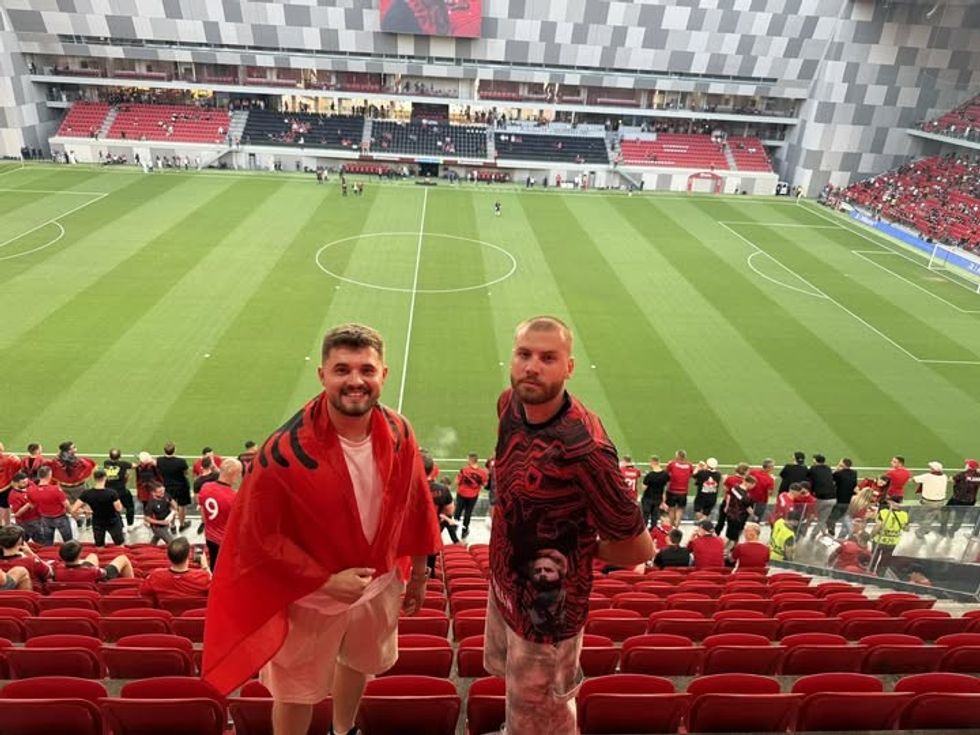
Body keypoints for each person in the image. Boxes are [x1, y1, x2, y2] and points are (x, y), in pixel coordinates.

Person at [202, 323, 440, 735]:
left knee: (359, 663)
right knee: (296, 692)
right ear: (322, 375)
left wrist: (419, 572)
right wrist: (326, 581)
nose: (355, 381)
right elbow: (258, 538)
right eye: (342, 370)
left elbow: (414, 500)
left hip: (379, 583)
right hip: (308, 597)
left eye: (366, 370)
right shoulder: (284, 451)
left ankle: (343, 730)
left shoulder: (399, 430)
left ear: (383, 374)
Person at [485, 316, 651, 734]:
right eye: (524, 354)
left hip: (549, 615)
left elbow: (639, 549)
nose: (531, 367)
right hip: (505, 584)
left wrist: (578, 547)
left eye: (548, 358)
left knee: (546, 716)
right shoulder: (510, 403)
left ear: (569, 367)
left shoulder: (585, 449)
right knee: (519, 696)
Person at [197, 458, 243, 570]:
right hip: (226, 541)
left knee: (214, 564)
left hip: (209, 536)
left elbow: (203, 517)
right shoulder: (234, 497)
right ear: (234, 475)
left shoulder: (205, 487)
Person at [140, 536, 211, 604]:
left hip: (166, 611)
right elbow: (214, 590)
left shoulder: (155, 576)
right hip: (196, 612)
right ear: (188, 556)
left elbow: (143, 593)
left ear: (168, 556)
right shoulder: (203, 576)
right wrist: (205, 567)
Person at [71, 469, 124, 546]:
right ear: (105, 478)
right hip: (113, 521)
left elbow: (73, 509)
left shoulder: (87, 493)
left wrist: (85, 512)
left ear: (94, 478)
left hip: (97, 521)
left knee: (99, 546)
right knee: (119, 545)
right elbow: (119, 509)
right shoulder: (112, 493)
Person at [26, 466, 72, 544]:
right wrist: (71, 512)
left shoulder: (30, 490)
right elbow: (66, 504)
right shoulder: (56, 489)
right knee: (69, 542)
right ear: (49, 475)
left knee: (48, 543)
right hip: (60, 518)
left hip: (45, 518)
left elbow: (32, 506)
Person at [53, 540, 134, 582]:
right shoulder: (93, 571)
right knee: (123, 558)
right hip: (91, 575)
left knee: (93, 556)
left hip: (75, 573)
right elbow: (103, 573)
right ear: (79, 554)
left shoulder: (56, 570)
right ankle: (131, 582)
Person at [0, 524, 52, 589]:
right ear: (22, 542)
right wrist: (31, 553)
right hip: (31, 594)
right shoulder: (32, 561)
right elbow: (49, 574)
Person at [870, 495, 910, 576]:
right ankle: (880, 575)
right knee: (885, 560)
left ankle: (869, 573)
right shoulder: (904, 514)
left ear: (890, 502)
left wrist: (871, 536)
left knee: (873, 558)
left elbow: (878, 526)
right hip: (892, 541)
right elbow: (906, 528)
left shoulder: (883, 512)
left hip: (879, 540)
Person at [157, 442, 192, 532]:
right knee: (182, 506)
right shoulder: (181, 462)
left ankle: (172, 526)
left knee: (170, 506)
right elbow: (186, 473)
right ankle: (182, 524)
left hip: (167, 486)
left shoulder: (159, 461)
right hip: (181, 486)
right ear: (174, 450)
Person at [941, 459, 980, 537]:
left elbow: (952, 479)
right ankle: (952, 531)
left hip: (957, 499)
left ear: (969, 466)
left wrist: (951, 478)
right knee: (960, 517)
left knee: (945, 510)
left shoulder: (963, 474)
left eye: (967, 464)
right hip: (970, 501)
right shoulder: (978, 476)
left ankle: (943, 528)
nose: (966, 465)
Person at [453, 452, 488, 540]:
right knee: (468, 513)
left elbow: (457, 482)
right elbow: (485, 485)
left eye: (467, 459)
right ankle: (464, 532)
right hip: (473, 496)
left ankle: (454, 529)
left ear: (471, 460)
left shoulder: (464, 470)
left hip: (461, 494)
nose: (467, 460)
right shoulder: (482, 473)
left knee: (458, 512)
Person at [913, 461, 948, 538]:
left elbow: (914, 479)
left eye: (931, 468)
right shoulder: (944, 476)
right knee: (931, 517)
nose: (930, 469)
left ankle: (921, 532)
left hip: (929, 501)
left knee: (925, 516)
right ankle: (926, 529)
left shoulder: (927, 476)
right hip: (940, 501)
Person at [104, 448, 136, 529]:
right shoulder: (123, 464)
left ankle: (120, 526)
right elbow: (134, 466)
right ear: (120, 456)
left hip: (109, 492)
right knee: (130, 507)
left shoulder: (106, 463)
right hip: (121, 491)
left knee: (114, 510)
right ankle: (130, 525)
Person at [8, 472, 43, 542]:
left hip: (38, 517)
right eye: (23, 482)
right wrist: (29, 504)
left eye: (27, 481)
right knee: (38, 541)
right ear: (16, 483)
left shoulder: (28, 483)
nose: (26, 483)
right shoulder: (13, 496)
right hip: (26, 522)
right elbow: (17, 514)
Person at [807, 453, 836, 537]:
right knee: (822, 519)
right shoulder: (828, 468)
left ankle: (802, 532)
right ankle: (816, 535)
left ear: (815, 460)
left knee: (810, 516)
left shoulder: (813, 469)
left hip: (821, 498)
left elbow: (809, 480)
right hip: (833, 498)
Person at [664, 450, 693, 529]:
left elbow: (666, 472)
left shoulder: (672, 464)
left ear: (677, 456)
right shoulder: (689, 465)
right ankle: (677, 526)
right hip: (683, 492)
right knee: (680, 509)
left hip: (672, 490)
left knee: (671, 509)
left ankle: (671, 526)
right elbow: (691, 474)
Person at [829, 458, 858, 536]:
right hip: (849, 501)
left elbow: (830, 478)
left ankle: (831, 534)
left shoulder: (839, 474)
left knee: (832, 519)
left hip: (839, 500)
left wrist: (837, 468)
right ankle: (841, 536)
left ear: (843, 464)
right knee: (845, 520)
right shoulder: (854, 473)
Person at [641, 455, 669, 528]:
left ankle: (644, 531)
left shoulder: (649, 475)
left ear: (652, 462)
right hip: (658, 498)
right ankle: (653, 531)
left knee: (645, 517)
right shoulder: (665, 475)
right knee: (654, 517)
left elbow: (643, 488)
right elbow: (665, 487)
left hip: (648, 498)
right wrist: (664, 500)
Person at [0, 442, 23, 527]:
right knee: (5, 507)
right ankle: (6, 525)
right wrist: (17, 458)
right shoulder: (9, 460)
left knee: (4, 507)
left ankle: (6, 524)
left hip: (4, 487)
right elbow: (19, 467)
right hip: (5, 487)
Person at [692, 457, 721, 522]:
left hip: (701, 496)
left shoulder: (702, 473)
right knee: (706, 512)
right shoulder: (718, 475)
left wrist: (698, 467)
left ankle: (700, 522)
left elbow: (694, 474)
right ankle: (703, 522)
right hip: (712, 496)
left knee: (697, 509)